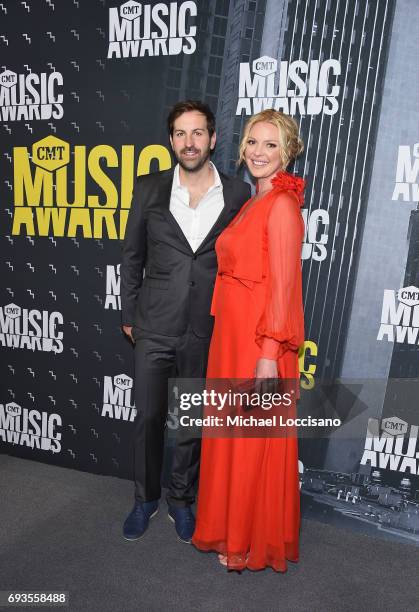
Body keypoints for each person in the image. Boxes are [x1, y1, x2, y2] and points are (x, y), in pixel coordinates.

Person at [120, 100, 251, 543]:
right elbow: (132, 257)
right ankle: (145, 500)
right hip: (153, 325)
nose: (189, 142)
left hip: (206, 326)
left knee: (191, 421)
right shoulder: (148, 188)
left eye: (198, 133)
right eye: (180, 133)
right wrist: (129, 315)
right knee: (149, 417)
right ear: (171, 139)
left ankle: (181, 500)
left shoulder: (237, 194)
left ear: (213, 140)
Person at [192, 109, 305, 571]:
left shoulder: (281, 205)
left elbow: (283, 287)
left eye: (271, 145)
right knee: (231, 435)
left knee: (250, 437)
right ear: (241, 148)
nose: (259, 152)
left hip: (257, 341)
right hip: (231, 334)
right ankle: (227, 527)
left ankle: (244, 541)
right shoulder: (256, 199)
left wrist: (267, 357)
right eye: (253, 143)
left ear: (288, 152)